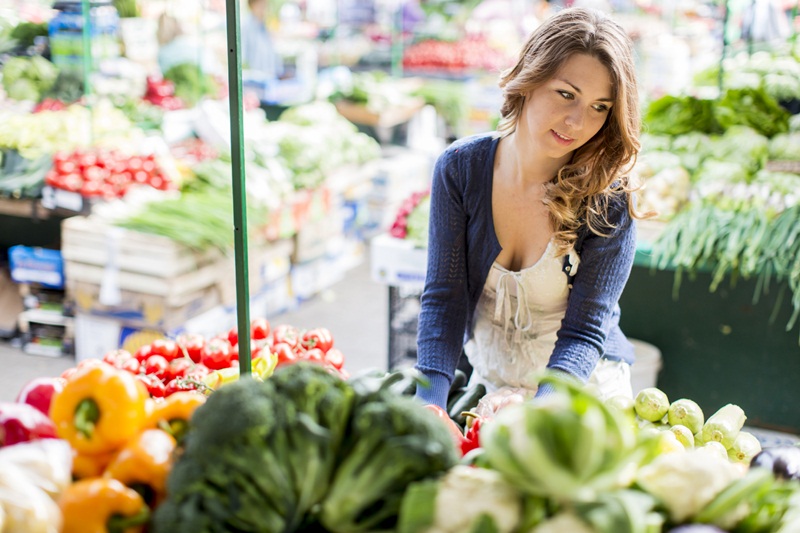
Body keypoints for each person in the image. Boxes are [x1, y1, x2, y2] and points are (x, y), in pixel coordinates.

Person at [415, 7, 645, 410]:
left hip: (580, 395)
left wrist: (539, 413)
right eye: (566, 94)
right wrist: (429, 405)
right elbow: (443, 300)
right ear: (529, 79)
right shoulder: (461, 169)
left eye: (599, 107)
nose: (577, 121)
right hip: (492, 386)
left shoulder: (608, 200)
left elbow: (584, 333)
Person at [241, 0, 283, 84]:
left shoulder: (264, 25)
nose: (264, 8)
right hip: (255, 82)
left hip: (270, 79)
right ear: (252, 5)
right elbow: (243, 58)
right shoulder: (246, 26)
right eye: (261, 4)